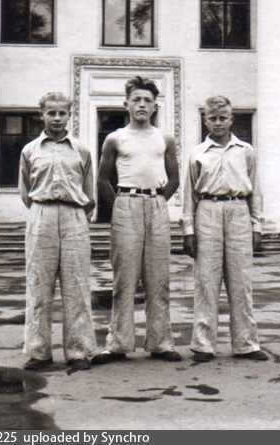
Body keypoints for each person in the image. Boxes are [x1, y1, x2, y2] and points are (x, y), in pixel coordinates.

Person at [93, 76, 181, 364]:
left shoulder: (164, 138)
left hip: (155, 203)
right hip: (125, 204)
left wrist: (157, 200)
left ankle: (160, 342)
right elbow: (103, 178)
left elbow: (174, 179)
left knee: (158, 277)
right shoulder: (115, 138)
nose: (142, 104)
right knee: (124, 277)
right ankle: (118, 343)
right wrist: (119, 204)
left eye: (147, 100)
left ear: (155, 106)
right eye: (136, 100)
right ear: (126, 104)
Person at [182, 96, 268, 363]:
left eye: (223, 118)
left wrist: (257, 225)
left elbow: (255, 189)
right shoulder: (197, 153)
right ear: (205, 120)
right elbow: (189, 195)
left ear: (232, 119)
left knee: (241, 280)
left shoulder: (245, 150)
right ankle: (203, 344)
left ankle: (246, 343)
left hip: (238, 209)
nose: (218, 123)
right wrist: (188, 230)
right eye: (212, 118)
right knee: (206, 280)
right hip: (207, 210)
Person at [18, 92, 97, 372]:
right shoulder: (30, 150)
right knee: (39, 284)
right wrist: (44, 208)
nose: (56, 118)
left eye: (62, 113)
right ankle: (39, 351)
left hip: (74, 215)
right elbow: (25, 191)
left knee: (76, 284)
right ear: (42, 114)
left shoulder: (82, 150)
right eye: (51, 113)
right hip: (42, 215)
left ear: (69, 115)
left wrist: (77, 211)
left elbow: (89, 191)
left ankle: (79, 351)